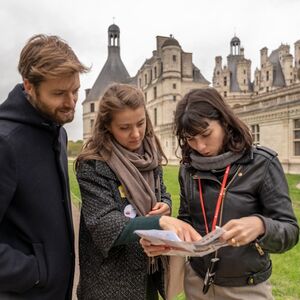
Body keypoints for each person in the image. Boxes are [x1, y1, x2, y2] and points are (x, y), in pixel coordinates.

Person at [141, 88, 299, 299]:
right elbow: (187, 220)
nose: (200, 146)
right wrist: (169, 242)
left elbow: (290, 231)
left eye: (206, 134)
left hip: (247, 287)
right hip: (197, 282)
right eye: (190, 139)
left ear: (225, 122)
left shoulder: (262, 163)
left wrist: (261, 225)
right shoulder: (188, 169)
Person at [75, 83, 200, 300]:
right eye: (124, 128)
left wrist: (166, 205)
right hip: (110, 283)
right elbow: (104, 225)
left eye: (140, 123)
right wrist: (158, 223)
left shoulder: (149, 155)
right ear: (107, 127)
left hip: (148, 275)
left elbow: (161, 192)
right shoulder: (93, 164)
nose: (136, 134)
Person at [0, 34, 88, 299]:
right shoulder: (6, 142)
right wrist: (36, 272)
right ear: (29, 86)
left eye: (75, 90)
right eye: (59, 93)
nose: (71, 102)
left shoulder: (57, 132)